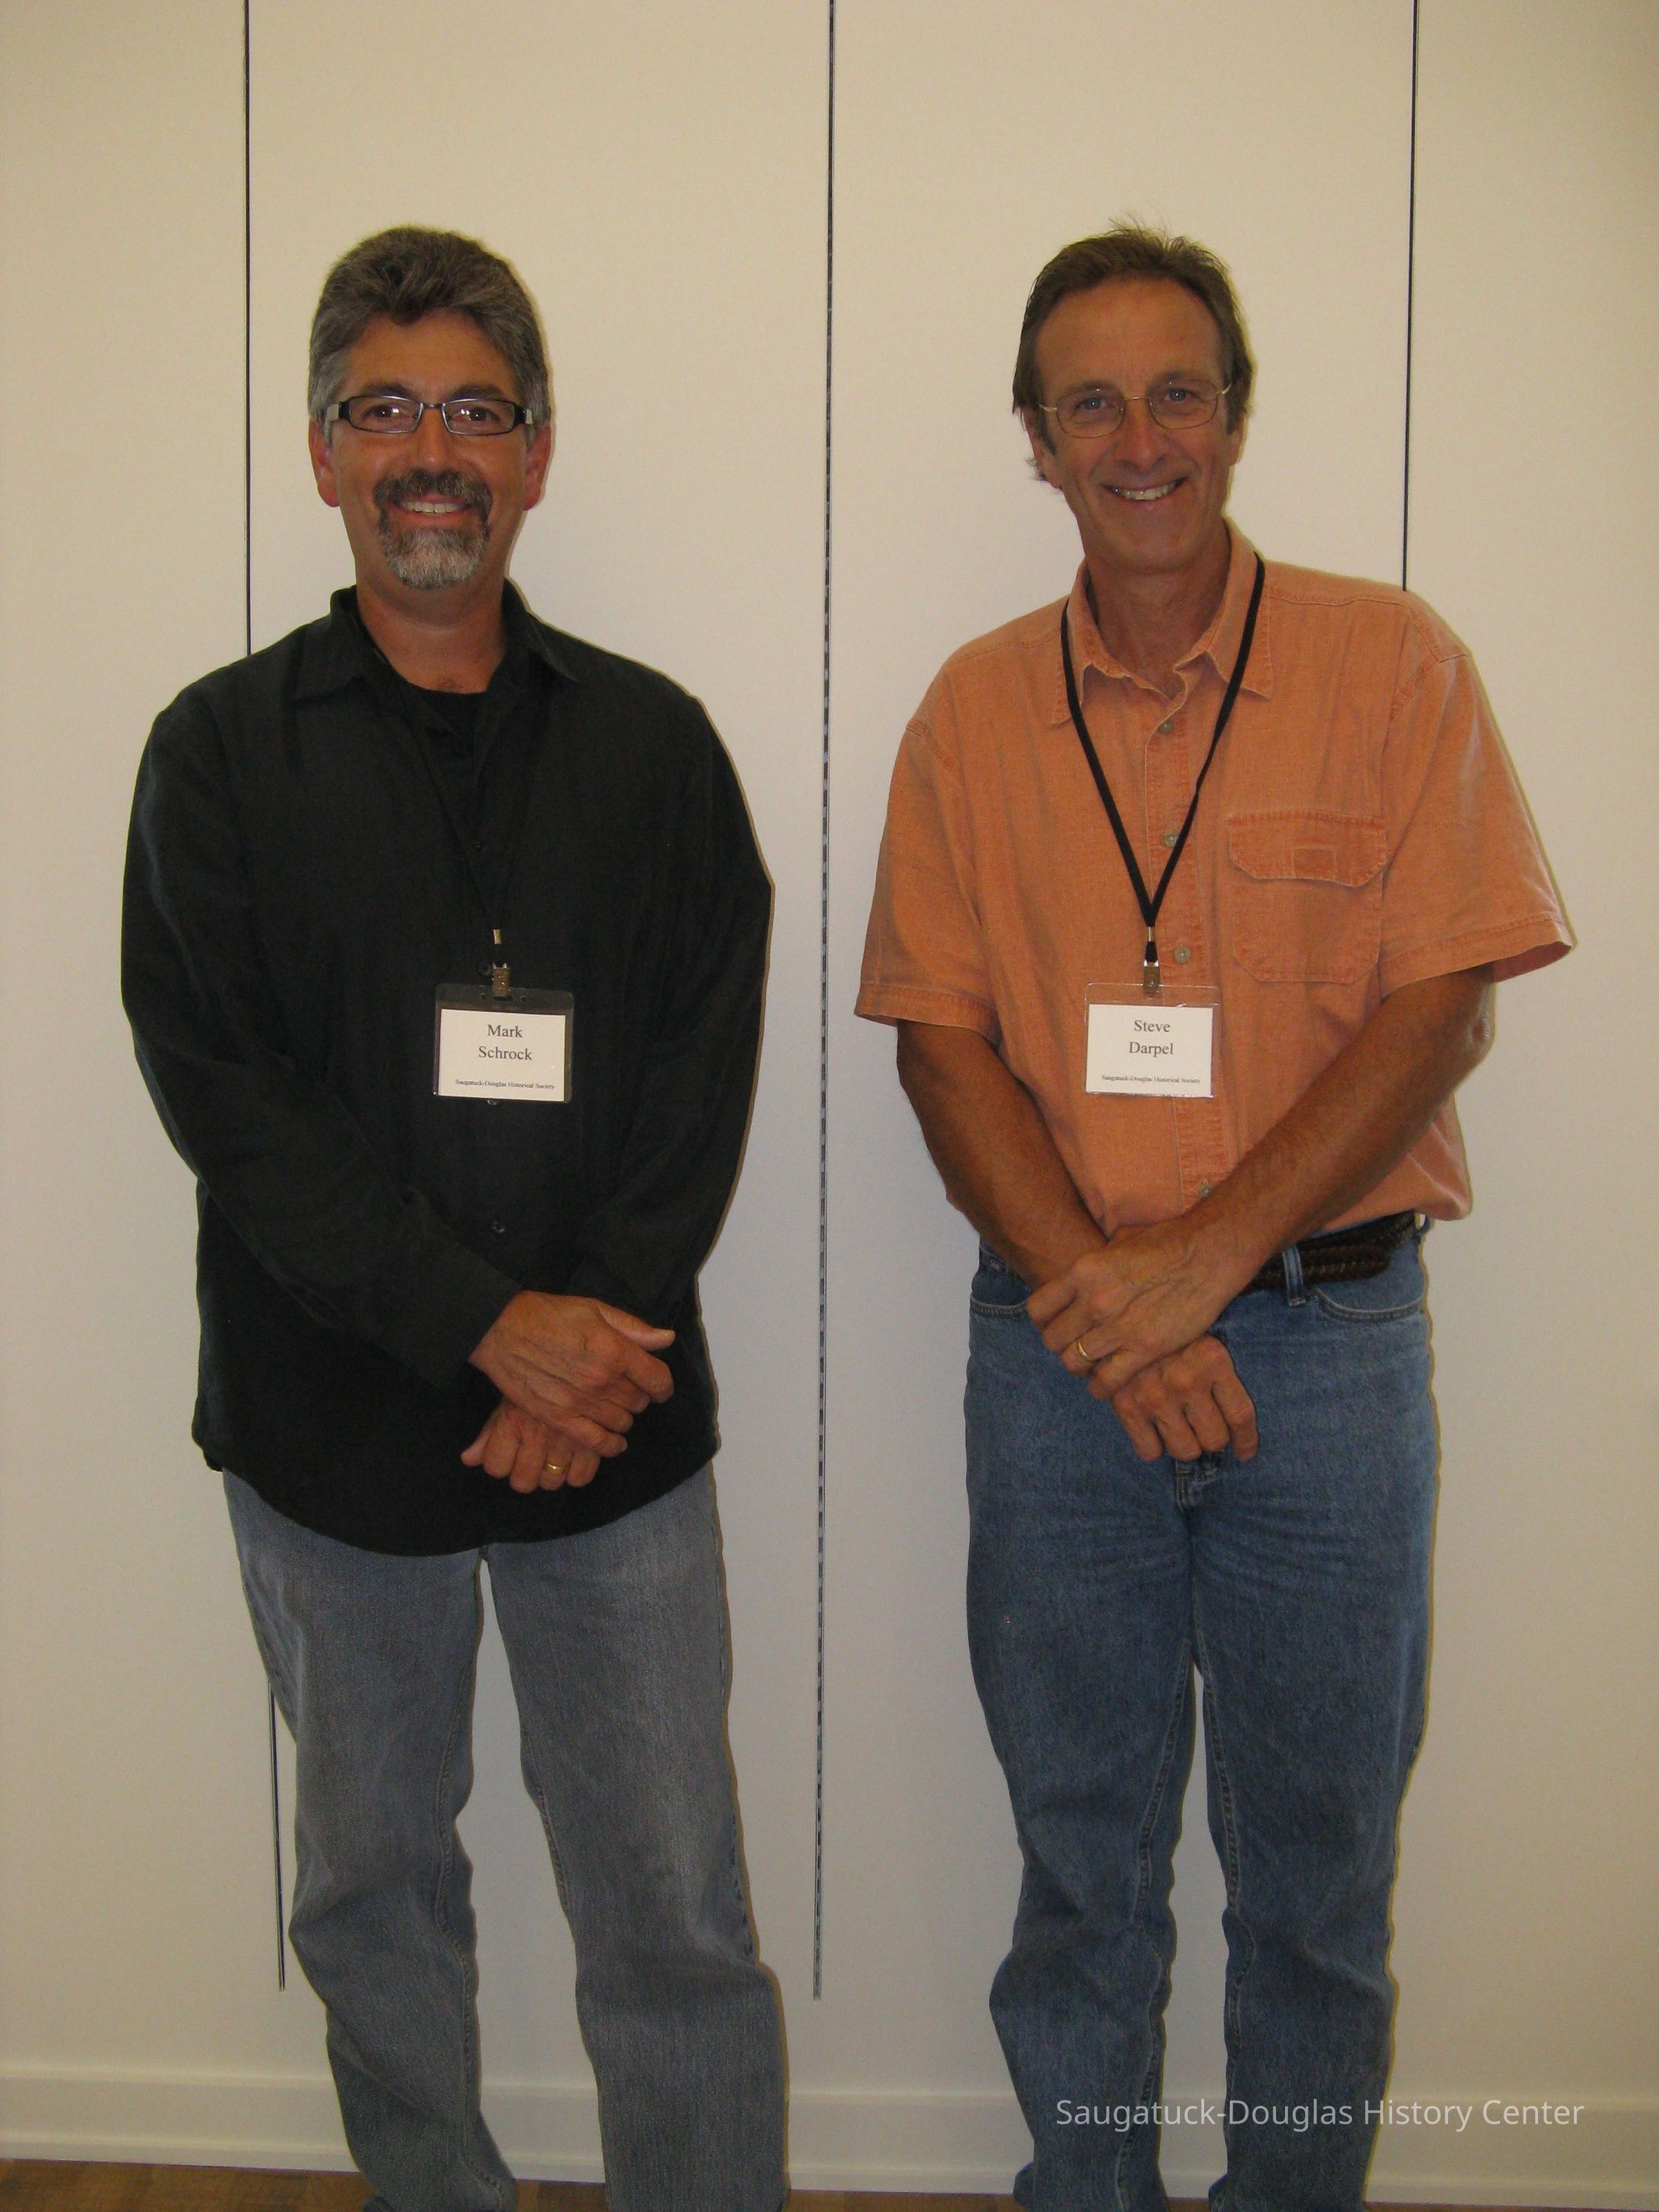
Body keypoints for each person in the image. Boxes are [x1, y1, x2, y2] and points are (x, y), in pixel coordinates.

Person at [856, 226, 1571, 2212]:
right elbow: (940, 1049)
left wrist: (1203, 1266)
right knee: (1082, 1869)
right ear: (1035, 439)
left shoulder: (1393, 665)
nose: (1140, 438)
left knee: (1318, 1884)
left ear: (1237, 415)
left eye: (1180, 392)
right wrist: (1122, 1301)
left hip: (1329, 1359)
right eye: (1090, 402)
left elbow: (1442, 1011)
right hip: (1060, 1357)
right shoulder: (970, 713)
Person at [123, 225, 784, 2212]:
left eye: (477, 412)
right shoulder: (218, 753)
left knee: (672, 1904)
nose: (434, 452)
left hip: (617, 1425)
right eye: (387, 409)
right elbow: (227, 1095)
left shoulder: (655, 746)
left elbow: (703, 1055)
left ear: (538, 453)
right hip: (333, 1436)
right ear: (324, 452)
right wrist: (491, 1327)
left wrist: (589, 1335)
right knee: (376, 1894)